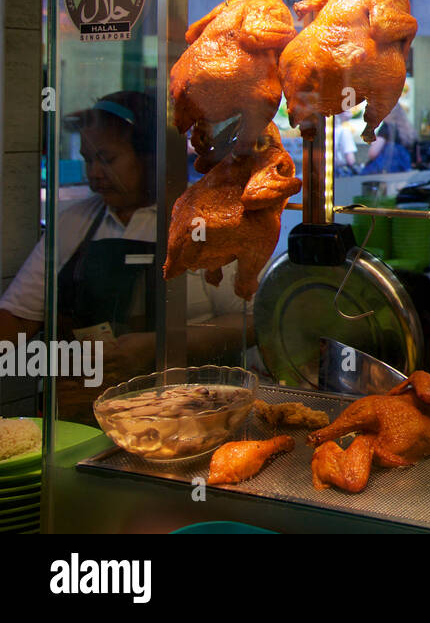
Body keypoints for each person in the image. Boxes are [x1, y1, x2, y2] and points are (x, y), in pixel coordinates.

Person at [0, 91, 248, 420]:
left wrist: (158, 346)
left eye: (107, 159)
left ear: (150, 156)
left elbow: (248, 324)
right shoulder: (74, 222)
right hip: (87, 415)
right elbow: (17, 319)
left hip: (191, 411)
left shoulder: (203, 221)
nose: (94, 173)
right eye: (88, 159)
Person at [361, 103, 415, 174]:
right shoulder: (409, 130)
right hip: (403, 173)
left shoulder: (387, 127)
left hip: (386, 173)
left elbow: (373, 153)